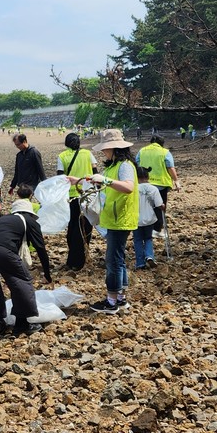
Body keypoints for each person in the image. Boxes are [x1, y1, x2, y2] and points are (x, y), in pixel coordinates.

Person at [0, 197, 53, 339]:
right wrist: (47, 273)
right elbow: (40, 248)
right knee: (20, 280)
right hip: (0, 249)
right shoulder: (29, 221)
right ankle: (22, 324)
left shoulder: (4, 220)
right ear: (29, 213)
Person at [85, 129, 137, 314]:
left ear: (114, 148)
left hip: (120, 218)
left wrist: (105, 180)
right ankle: (120, 299)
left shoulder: (124, 165)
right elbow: (109, 185)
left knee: (113, 260)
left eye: (105, 148)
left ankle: (111, 302)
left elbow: (129, 187)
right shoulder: (114, 165)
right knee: (118, 259)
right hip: (116, 217)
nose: (103, 152)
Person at [56, 131, 95, 271]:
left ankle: (74, 259)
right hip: (89, 195)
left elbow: (60, 178)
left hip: (72, 196)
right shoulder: (87, 154)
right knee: (86, 226)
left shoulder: (62, 156)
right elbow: (95, 171)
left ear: (66, 143)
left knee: (73, 226)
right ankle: (82, 256)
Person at [136, 134, 180, 210]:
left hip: (144, 183)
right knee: (160, 205)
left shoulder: (142, 151)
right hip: (161, 184)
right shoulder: (165, 152)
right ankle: (161, 220)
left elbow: (136, 164)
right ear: (162, 143)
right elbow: (170, 168)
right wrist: (176, 181)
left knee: (144, 205)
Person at [133, 163, 164, 270]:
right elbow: (159, 204)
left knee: (137, 240)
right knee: (148, 238)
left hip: (135, 219)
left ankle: (140, 263)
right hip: (149, 219)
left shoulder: (132, 189)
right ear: (148, 176)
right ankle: (149, 256)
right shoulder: (153, 189)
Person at [9, 133, 46, 197]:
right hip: (22, 185)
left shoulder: (34, 152)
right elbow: (17, 172)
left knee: (27, 202)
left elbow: (40, 169)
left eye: (18, 145)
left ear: (24, 141)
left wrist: (45, 184)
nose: (17, 147)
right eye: (16, 145)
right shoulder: (19, 155)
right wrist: (12, 186)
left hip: (32, 184)